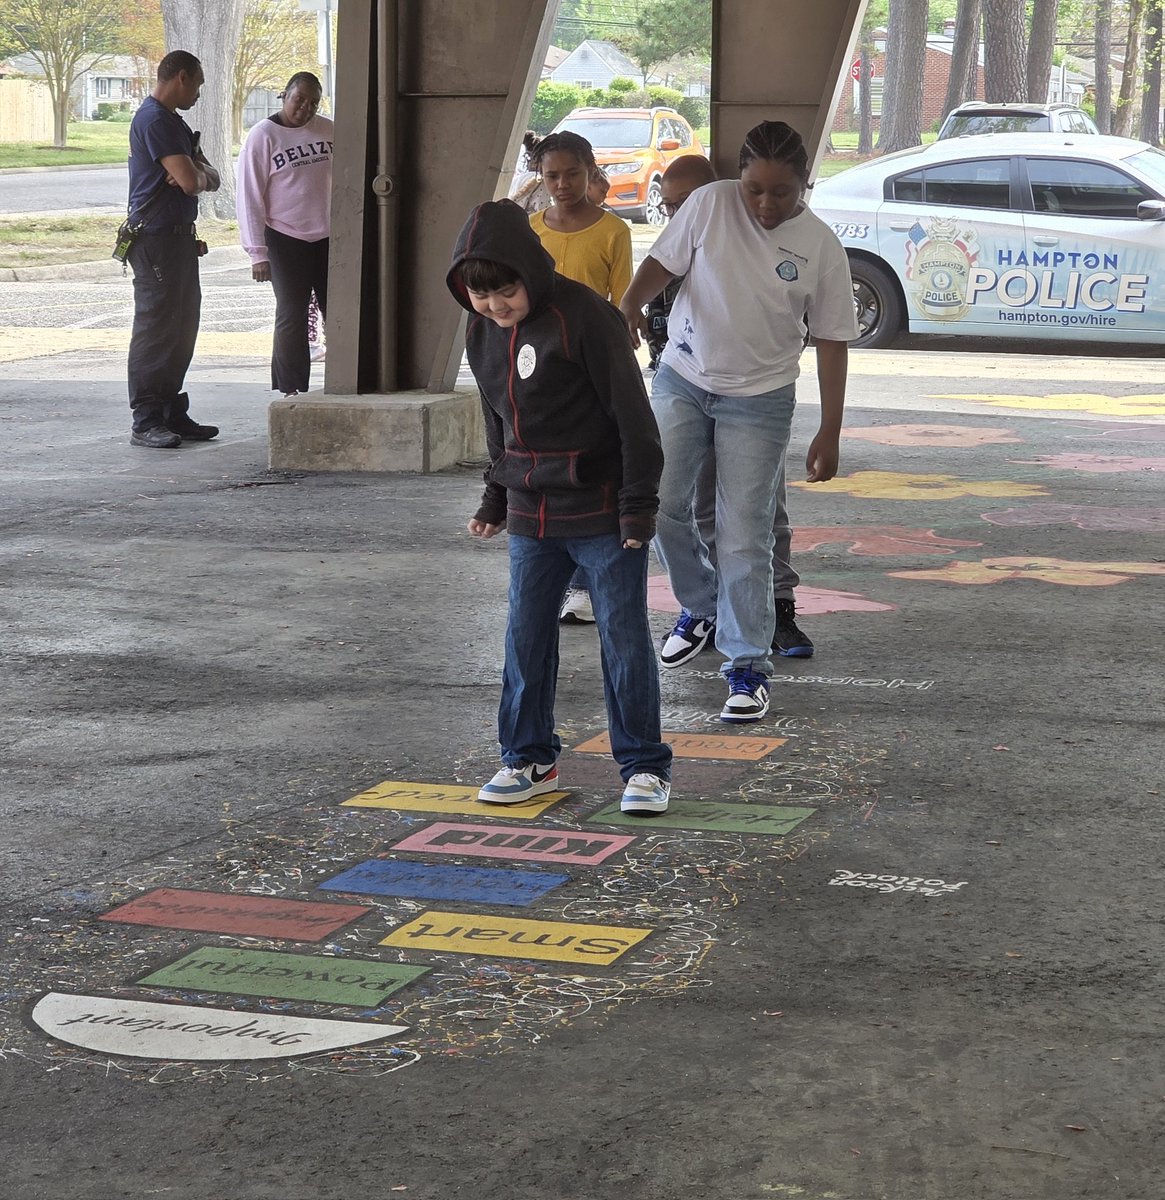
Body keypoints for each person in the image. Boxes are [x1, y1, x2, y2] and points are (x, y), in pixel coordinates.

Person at [619, 121, 858, 724]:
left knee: (744, 529)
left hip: (761, 397)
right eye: (754, 189)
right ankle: (701, 604)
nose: (766, 204)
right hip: (684, 378)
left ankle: (747, 665)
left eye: (783, 192)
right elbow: (661, 264)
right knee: (657, 501)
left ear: (807, 182)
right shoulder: (706, 204)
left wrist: (830, 429)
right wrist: (627, 305)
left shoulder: (821, 246)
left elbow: (831, 341)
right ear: (740, 178)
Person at [447, 198, 672, 815]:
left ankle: (645, 767)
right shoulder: (479, 329)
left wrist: (637, 509)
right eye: (479, 294)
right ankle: (529, 758)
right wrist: (495, 495)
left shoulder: (587, 317)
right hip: (530, 514)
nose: (495, 306)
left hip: (602, 512)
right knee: (525, 636)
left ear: (531, 269)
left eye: (506, 291)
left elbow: (634, 421)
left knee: (623, 640)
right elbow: (499, 422)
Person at [647, 155, 818, 660]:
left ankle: (773, 615)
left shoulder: (751, 234)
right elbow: (655, 317)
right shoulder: (679, 243)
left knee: (755, 518)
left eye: (689, 201)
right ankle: (707, 605)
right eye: (671, 204)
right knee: (671, 502)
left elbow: (802, 325)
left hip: (755, 400)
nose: (681, 212)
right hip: (687, 390)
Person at [526, 131, 633, 626]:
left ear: (592, 172)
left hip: (591, 368)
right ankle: (556, 575)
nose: (562, 184)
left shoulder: (613, 231)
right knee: (546, 468)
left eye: (572, 173)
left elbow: (621, 306)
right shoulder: (530, 229)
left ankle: (583, 586)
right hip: (539, 371)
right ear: (540, 178)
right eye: (552, 176)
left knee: (591, 467)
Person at [125, 50, 221, 449]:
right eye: (197, 84)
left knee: (182, 326)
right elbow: (192, 181)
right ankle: (146, 418)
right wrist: (195, 172)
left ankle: (170, 411)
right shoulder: (155, 120)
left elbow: (210, 177)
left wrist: (195, 171)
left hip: (178, 237)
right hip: (155, 239)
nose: (199, 93)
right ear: (181, 77)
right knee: (156, 328)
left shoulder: (173, 123)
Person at [236, 71, 334, 398]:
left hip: (329, 237)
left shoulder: (329, 129)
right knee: (291, 312)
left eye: (313, 102)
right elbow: (249, 196)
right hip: (285, 236)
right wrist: (257, 253)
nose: (304, 108)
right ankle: (291, 389)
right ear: (284, 96)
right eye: (299, 100)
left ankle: (348, 379)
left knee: (339, 310)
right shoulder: (263, 136)